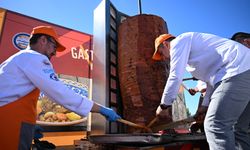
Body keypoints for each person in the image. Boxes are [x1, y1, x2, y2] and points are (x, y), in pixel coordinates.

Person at [0, 26, 121, 149]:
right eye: (54, 46)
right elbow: (60, 92)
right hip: (10, 120)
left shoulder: (20, 58)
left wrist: (31, 125)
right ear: (43, 40)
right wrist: (100, 109)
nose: (55, 52)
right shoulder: (34, 57)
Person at [152, 32, 250, 150]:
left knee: (215, 125)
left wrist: (163, 105)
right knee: (238, 128)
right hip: (243, 70)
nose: (164, 58)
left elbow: (175, 76)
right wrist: (204, 106)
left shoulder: (178, 42)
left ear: (166, 44)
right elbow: (211, 80)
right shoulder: (196, 54)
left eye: (161, 54)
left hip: (238, 70)